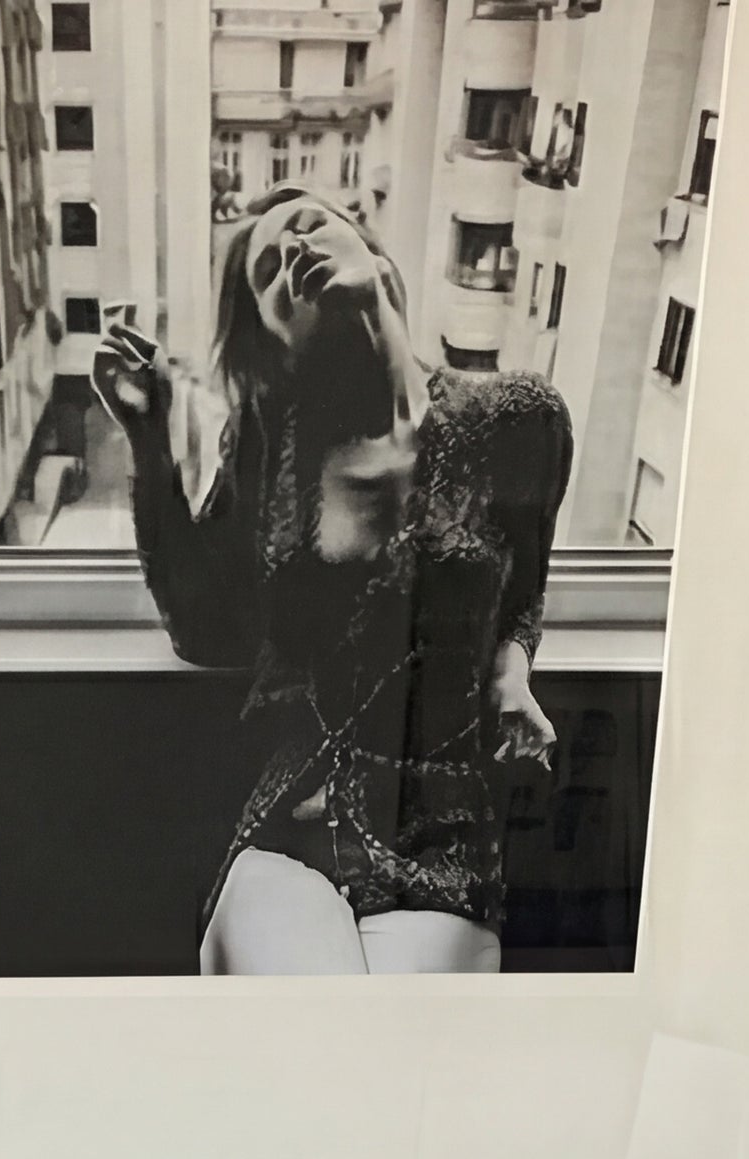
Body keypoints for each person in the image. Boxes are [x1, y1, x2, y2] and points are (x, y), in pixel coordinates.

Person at [97, 190, 571, 976]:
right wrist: (149, 437)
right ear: (274, 338)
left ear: (372, 252)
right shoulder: (267, 445)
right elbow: (203, 627)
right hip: (295, 827)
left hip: (441, 842)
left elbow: (522, 586)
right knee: (321, 1023)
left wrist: (511, 668)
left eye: (309, 226)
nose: (295, 253)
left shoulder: (521, 420)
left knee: (381, 1042)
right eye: (269, 273)